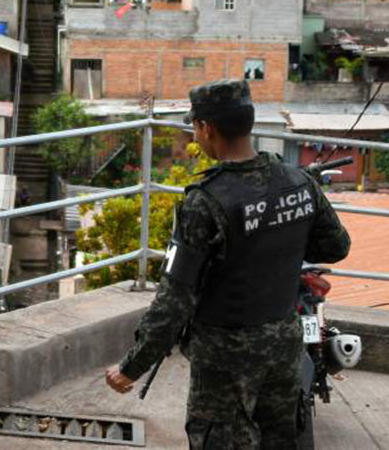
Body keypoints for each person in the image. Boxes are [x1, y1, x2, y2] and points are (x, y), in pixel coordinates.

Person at [104, 80, 351, 449]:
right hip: (284, 344)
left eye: (195, 126)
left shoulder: (205, 202)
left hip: (225, 358)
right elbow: (335, 247)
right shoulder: (299, 181)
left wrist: (131, 368)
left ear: (206, 128)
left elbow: (174, 301)